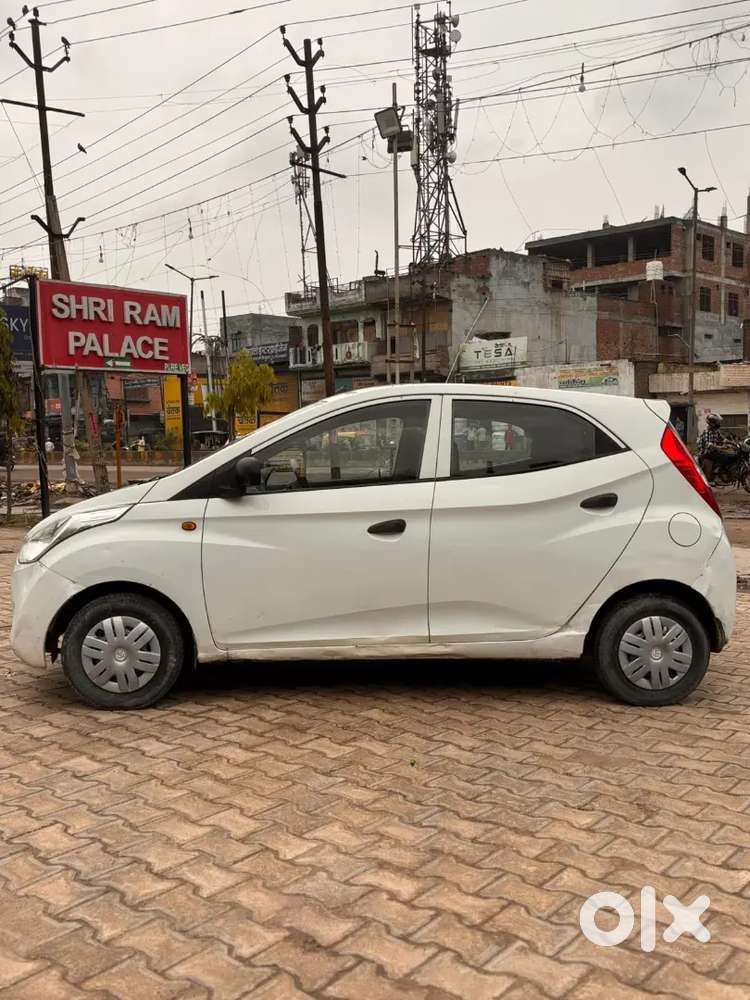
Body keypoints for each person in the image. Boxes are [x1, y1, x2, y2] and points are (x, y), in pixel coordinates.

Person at [698, 414, 727, 483]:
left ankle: (720, 471)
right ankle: (716, 473)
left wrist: (730, 442)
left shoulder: (716, 430)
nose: (718, 423)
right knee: (723, 457)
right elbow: (709, 445)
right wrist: (720, 447)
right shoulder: (707, 431)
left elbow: (722, 438)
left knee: (727, 454)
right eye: (717, 422)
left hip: (713, 451)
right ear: (712, 423)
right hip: (706, 453)